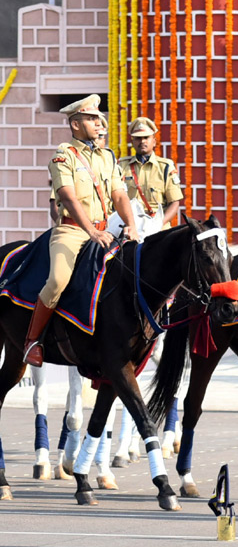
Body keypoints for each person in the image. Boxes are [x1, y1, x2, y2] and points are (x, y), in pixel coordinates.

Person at [25, 96, 140, 366]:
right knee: (57, 281)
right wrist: (91, 231)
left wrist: (131, 225)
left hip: (106, 231)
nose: (98, 123)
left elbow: (119, 195)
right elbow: (67, 196)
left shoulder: (108, 156)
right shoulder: (63, 154)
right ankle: (32, 341)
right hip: (73, 231)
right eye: (91, 118)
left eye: (98, 118)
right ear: (75, 124)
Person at [117, 117, 184, 228]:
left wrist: (157, 224)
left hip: (158, 228)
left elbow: (174, 202)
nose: (142, 141)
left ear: (154, 141)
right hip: (129, 227)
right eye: (138, 138)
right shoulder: (122, 166)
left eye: (146, 137)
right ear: (132, 142)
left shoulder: (165, 167)